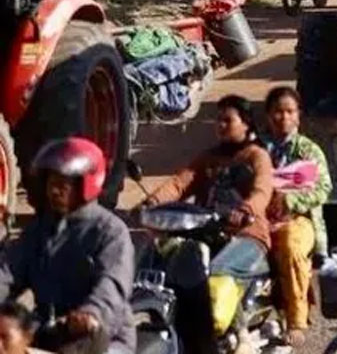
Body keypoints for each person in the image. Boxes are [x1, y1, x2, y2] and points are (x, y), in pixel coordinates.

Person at [146, 95, 275, 340]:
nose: (221, 125)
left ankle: (241, 335)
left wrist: (246, 210)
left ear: (246, 123)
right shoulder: (209, 157)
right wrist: (151, 202)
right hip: (208, 233)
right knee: (164, 259)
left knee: (216, 274)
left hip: (247, 235)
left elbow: (263, 190)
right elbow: (179, 183)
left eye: (228, 120)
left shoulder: (257, 156)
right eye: (218, 120)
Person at [0, 139, 134, 354]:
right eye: (50, 182)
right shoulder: (39, 229)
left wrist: (92, 314)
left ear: (85, 184)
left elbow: (113, 285)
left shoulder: (110, 232)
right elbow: (8, 271)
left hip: (102, 339)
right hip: (50, 333)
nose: (54, 190)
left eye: (62, 184)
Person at [262, 86, 332, 345]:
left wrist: (290, 200)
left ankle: (297, 320)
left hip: (299, 220)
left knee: (291, 246)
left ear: (298, 116)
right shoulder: (257, 149)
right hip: (260, 218)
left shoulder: (308, 150)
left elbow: (323, 188)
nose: (284, 117)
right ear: (268, 116)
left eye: (289, 111)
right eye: (278, 112)